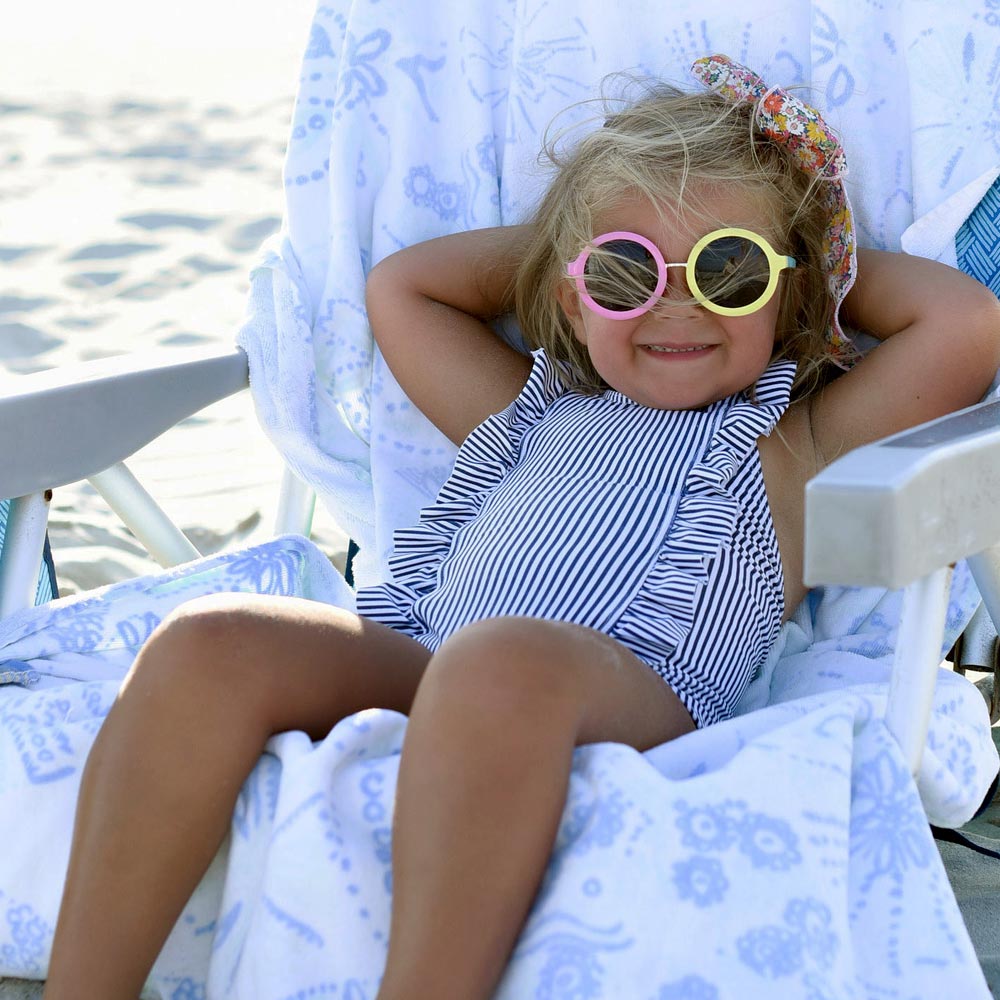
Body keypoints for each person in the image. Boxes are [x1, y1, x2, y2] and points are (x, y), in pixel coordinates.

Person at [42, 54, 1000, 1000]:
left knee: (503, 661)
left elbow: (962, 326)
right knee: (208, 645)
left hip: (634, 690)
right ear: (571, 296)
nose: (677, 303)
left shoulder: (796, 443)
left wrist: (808, 250)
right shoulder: (524, 408)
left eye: (729, 271)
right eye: (626, 272)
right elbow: (404, 289)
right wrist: (568, 249)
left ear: (785, 293)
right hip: (429, 659)